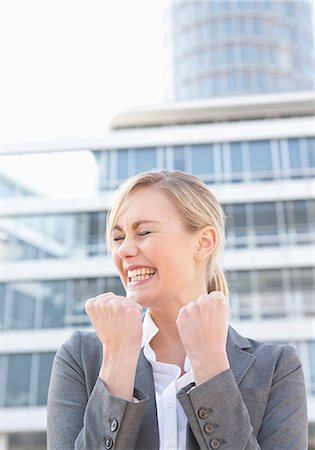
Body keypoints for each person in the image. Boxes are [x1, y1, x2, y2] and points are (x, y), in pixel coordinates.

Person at [47, 170, 307, 450]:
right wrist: (118, 360)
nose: (123, 251)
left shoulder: (277, 366)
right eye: (118, 238)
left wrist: (211, 366)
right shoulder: (81, 357)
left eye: (143, 232)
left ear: (204, 242)